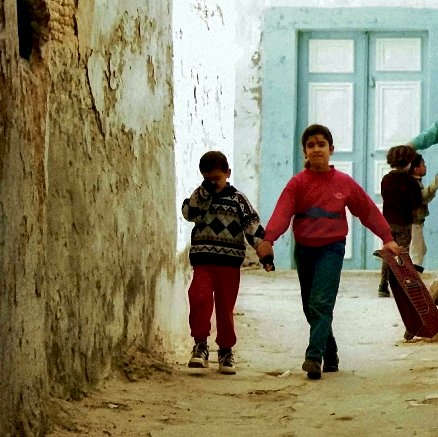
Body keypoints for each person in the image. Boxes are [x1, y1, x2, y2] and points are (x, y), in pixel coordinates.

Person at [256, 124, 401, 380]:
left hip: (331, 250)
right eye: (310, 145)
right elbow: (282, 212)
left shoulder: (344, 183)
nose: (316, 149)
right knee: (309, 307)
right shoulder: (297, 184)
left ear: (331, 150)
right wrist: (269, 239)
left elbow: (367, 210)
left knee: (321, 303)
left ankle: (313, 356)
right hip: (304, 251)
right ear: (304, 152)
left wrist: (387, 238)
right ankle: (330, 351)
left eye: (321, 144)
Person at [181, 151, 267, 375]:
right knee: (198, 297)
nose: (213, 183)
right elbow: (188, 213)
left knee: (225, 306)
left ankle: (226, 350)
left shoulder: (238, 199)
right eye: (208, 179)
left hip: (229, 263)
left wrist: (263, 251)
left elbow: (252, 225)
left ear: (228, 173)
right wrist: (203, 193)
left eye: (217, 179)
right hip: (203, 260)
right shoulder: (200, 197)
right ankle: (200, 345)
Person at [378, 145, 423, 297]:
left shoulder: (386, 179)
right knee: (403, 254)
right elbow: (417, 202)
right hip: (404, 223)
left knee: (388, 253)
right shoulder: (411, 182)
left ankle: (383, 285)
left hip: (388, 222)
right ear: (409, 162)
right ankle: (404, 284)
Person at [408, 153, 438, 267]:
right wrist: (434, 184)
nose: (425, 167)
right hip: (414, 223)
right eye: (423, 165)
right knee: (417, 253)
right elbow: (422, 197)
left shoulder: (415, 182)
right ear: (416, 168)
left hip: (416, 223)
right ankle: (414, 278)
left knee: (420, 249)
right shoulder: (412, 183)